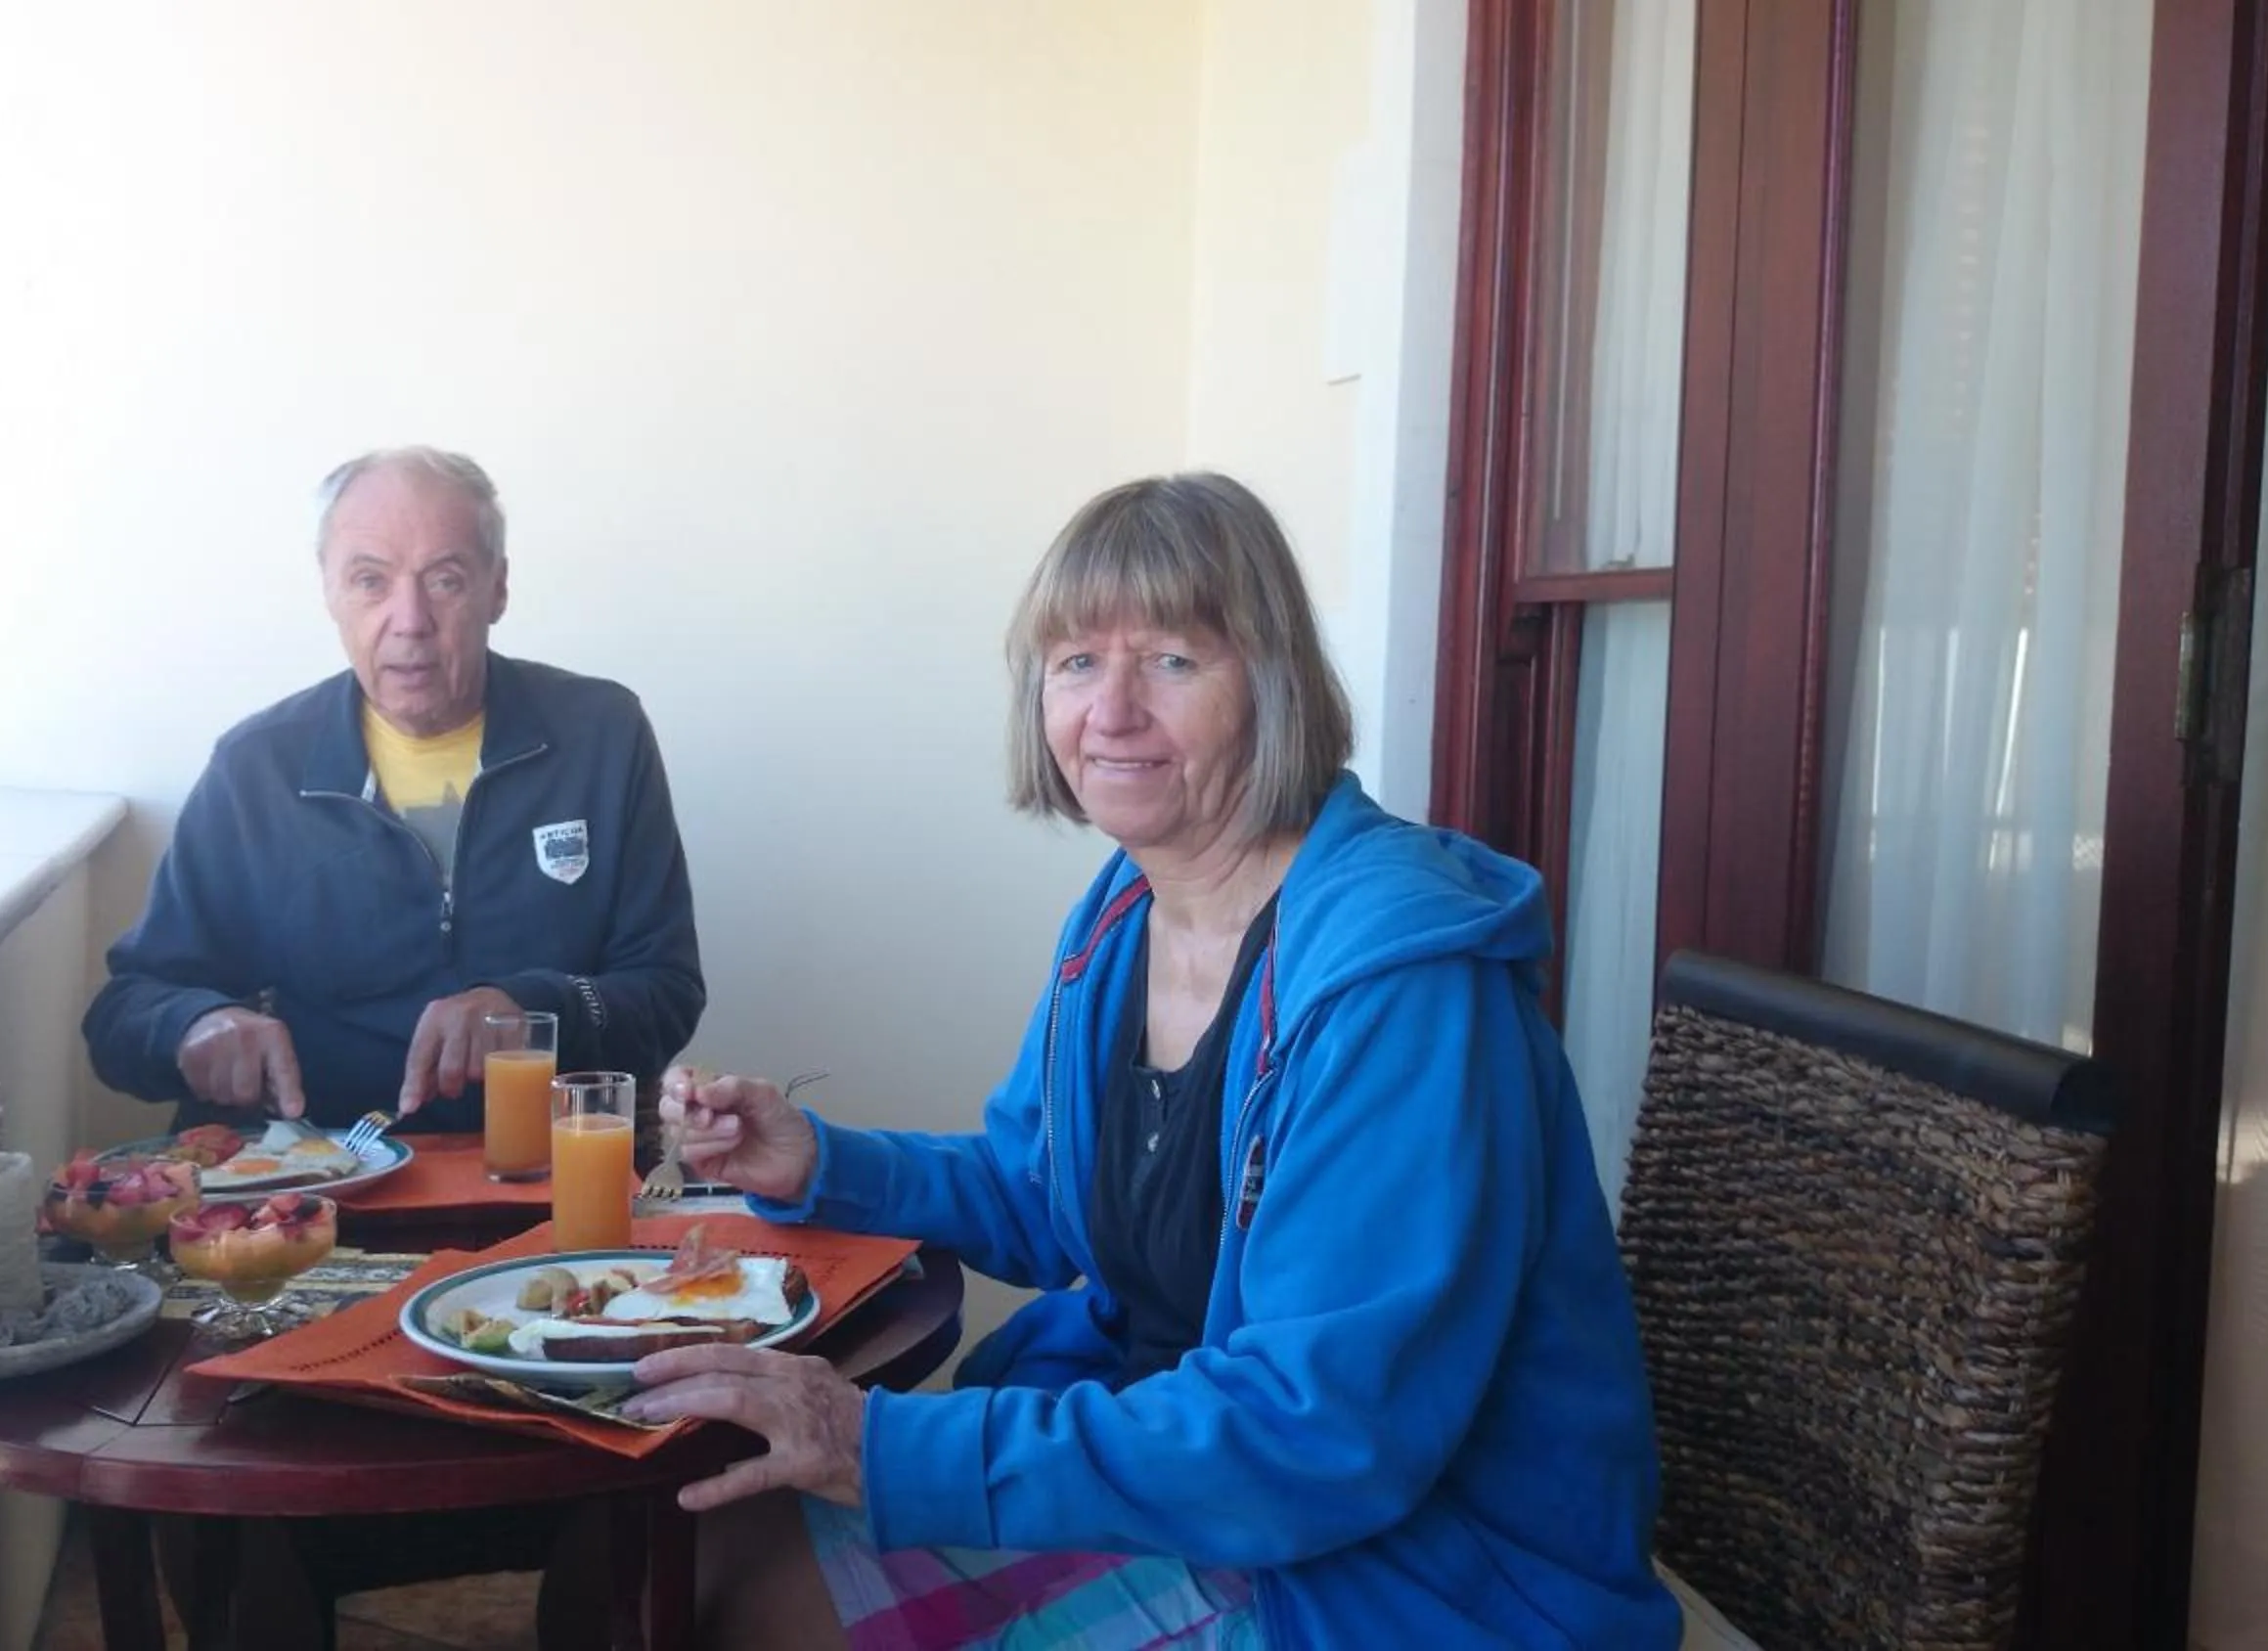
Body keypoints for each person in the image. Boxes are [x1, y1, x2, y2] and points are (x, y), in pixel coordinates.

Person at [621, 473, 1677, 1647]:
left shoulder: (1396, 988)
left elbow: (1318, 1432)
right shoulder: (1126, 913)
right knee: (655, 1556)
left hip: (1405, 1572)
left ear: (1271, 682)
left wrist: (884, 1444)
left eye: (1173, 659)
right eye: (1077, 661)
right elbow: (1042, 1189)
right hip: (1193, 1474)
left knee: (747, 1612)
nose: (1112, 710)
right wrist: (822, 1159)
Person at [83, 445, 705, 1134]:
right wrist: (191, 1024)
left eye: (445, 580)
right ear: (329, 591)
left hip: (549, 1168)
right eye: (370, 581)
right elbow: (123, 1013)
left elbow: (667, 991)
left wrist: (529, 1012)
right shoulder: (257, 768)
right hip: (319, 1177)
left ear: (498, 588)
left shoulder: (601, 736)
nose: (410, 620)